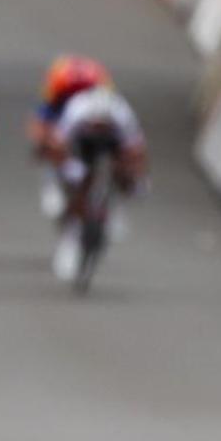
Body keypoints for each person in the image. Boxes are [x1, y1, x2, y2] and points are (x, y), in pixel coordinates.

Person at [48, 83, 146, 281]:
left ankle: (117, 209)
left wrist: (134, 176)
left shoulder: (122, 115)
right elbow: (57, 146)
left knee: (126, 171)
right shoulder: (77, 111)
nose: (99, 127)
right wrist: (69, 167)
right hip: (83, 144)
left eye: (103, 124)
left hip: (113, 143)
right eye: (96, 124)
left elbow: (136, 150)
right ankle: (71, 225)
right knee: (76, 180)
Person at [29, 55, 110, 216]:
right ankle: (50, 183)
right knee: (49, 145)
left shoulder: (101, 93)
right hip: (62, 120)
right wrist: (43, 143)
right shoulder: (58, 87)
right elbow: (42, 119)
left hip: (90, 122)